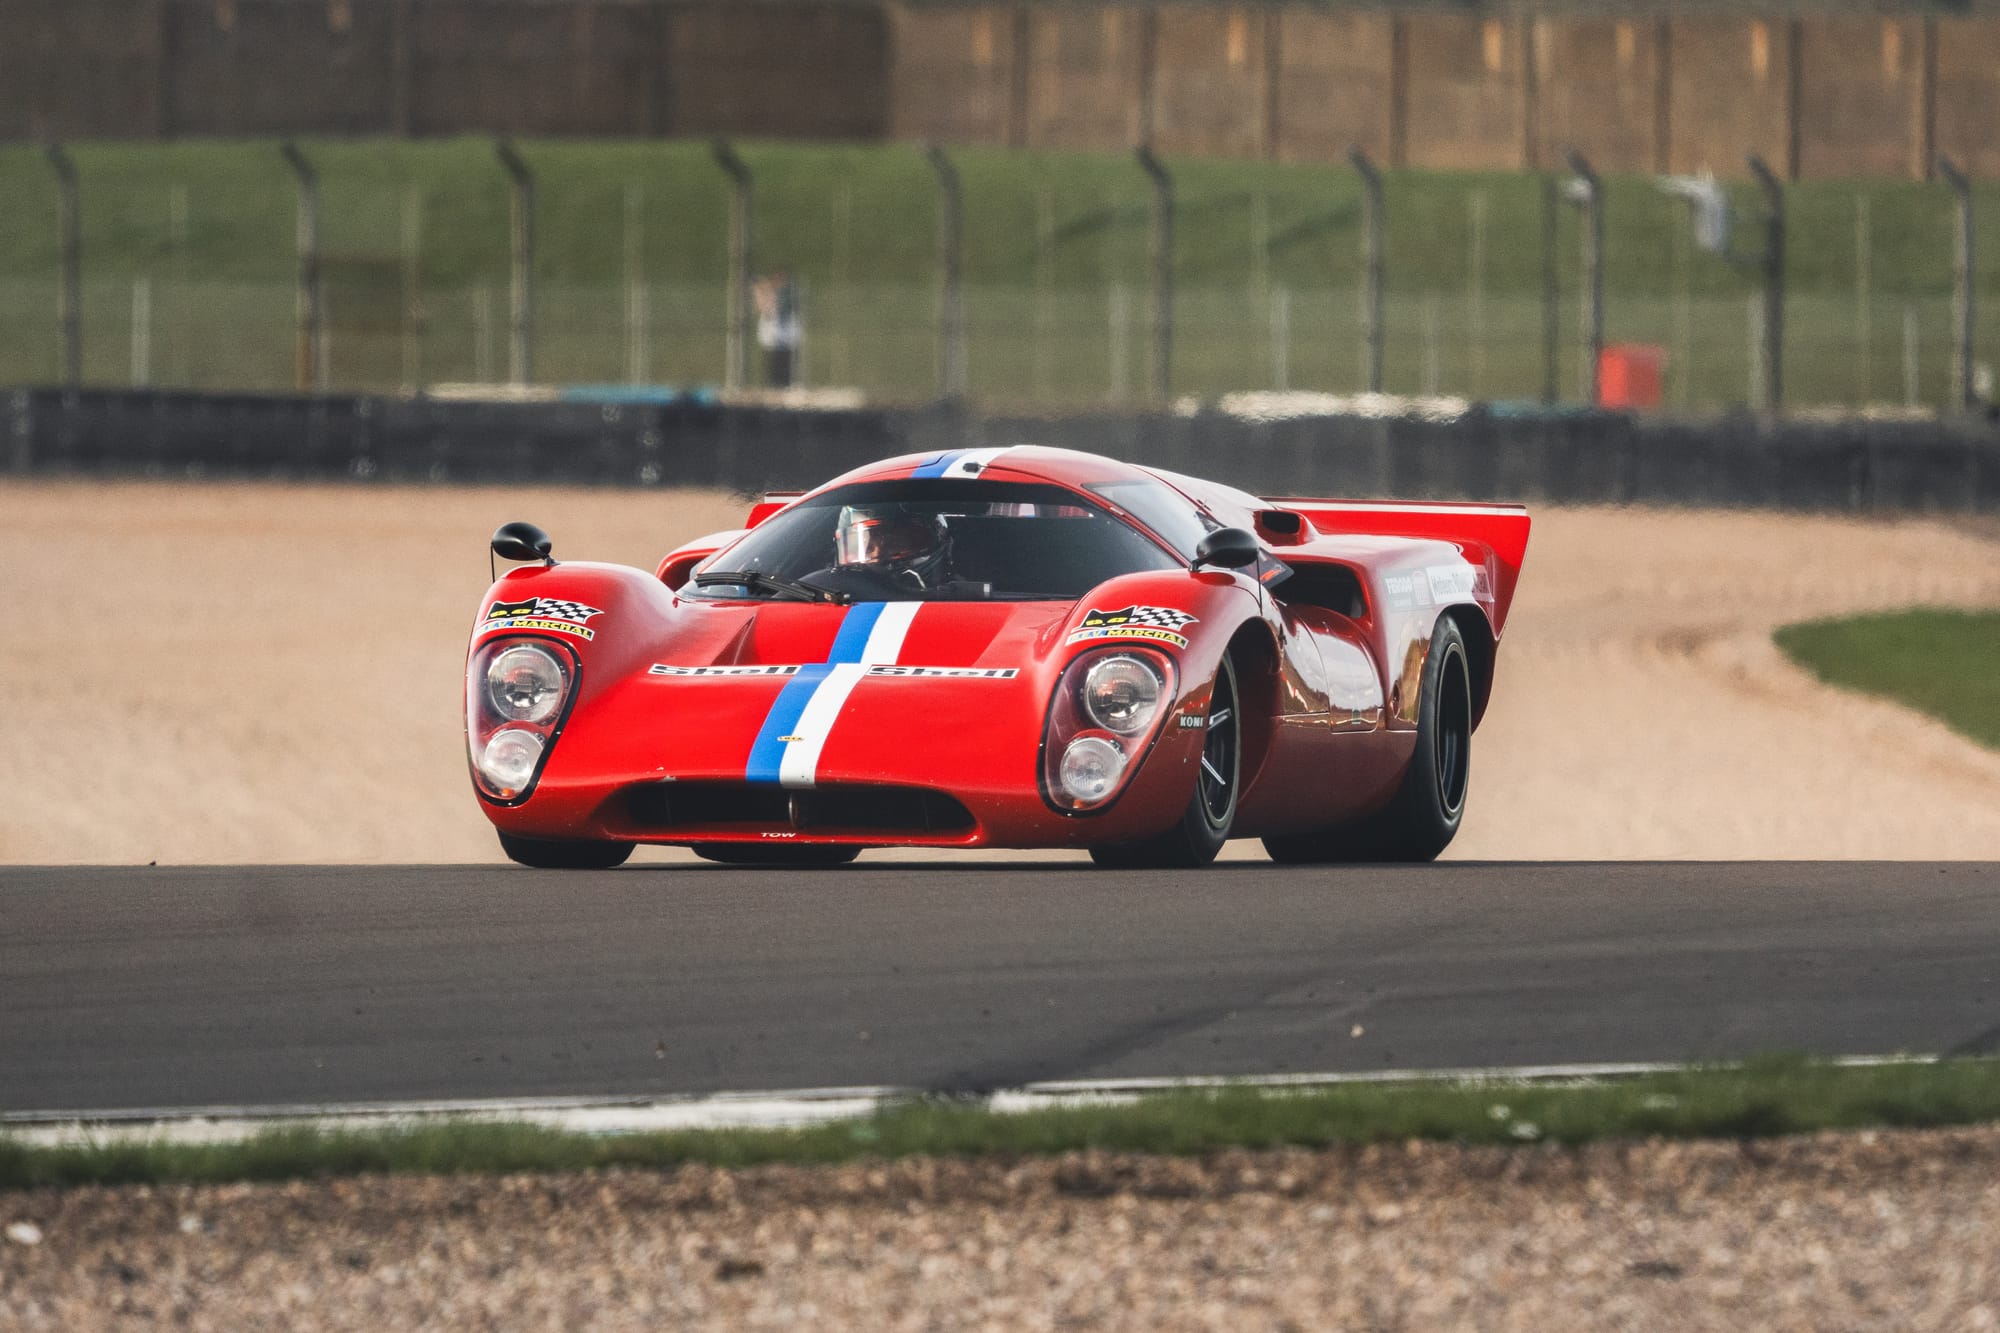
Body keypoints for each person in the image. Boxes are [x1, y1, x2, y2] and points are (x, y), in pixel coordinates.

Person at [834, 504, 950, 588]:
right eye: (868, 548)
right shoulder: (828, 592)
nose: (877, 555)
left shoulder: (963, 597)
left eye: (893, 543)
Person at [754, 271, 802, 388]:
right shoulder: (772, 295)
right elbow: (765, 306)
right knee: (774, 367)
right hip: (773, 339)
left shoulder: (788, 295)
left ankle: (785, 385)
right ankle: (775, 386)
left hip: (786, 339)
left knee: (786, 366)